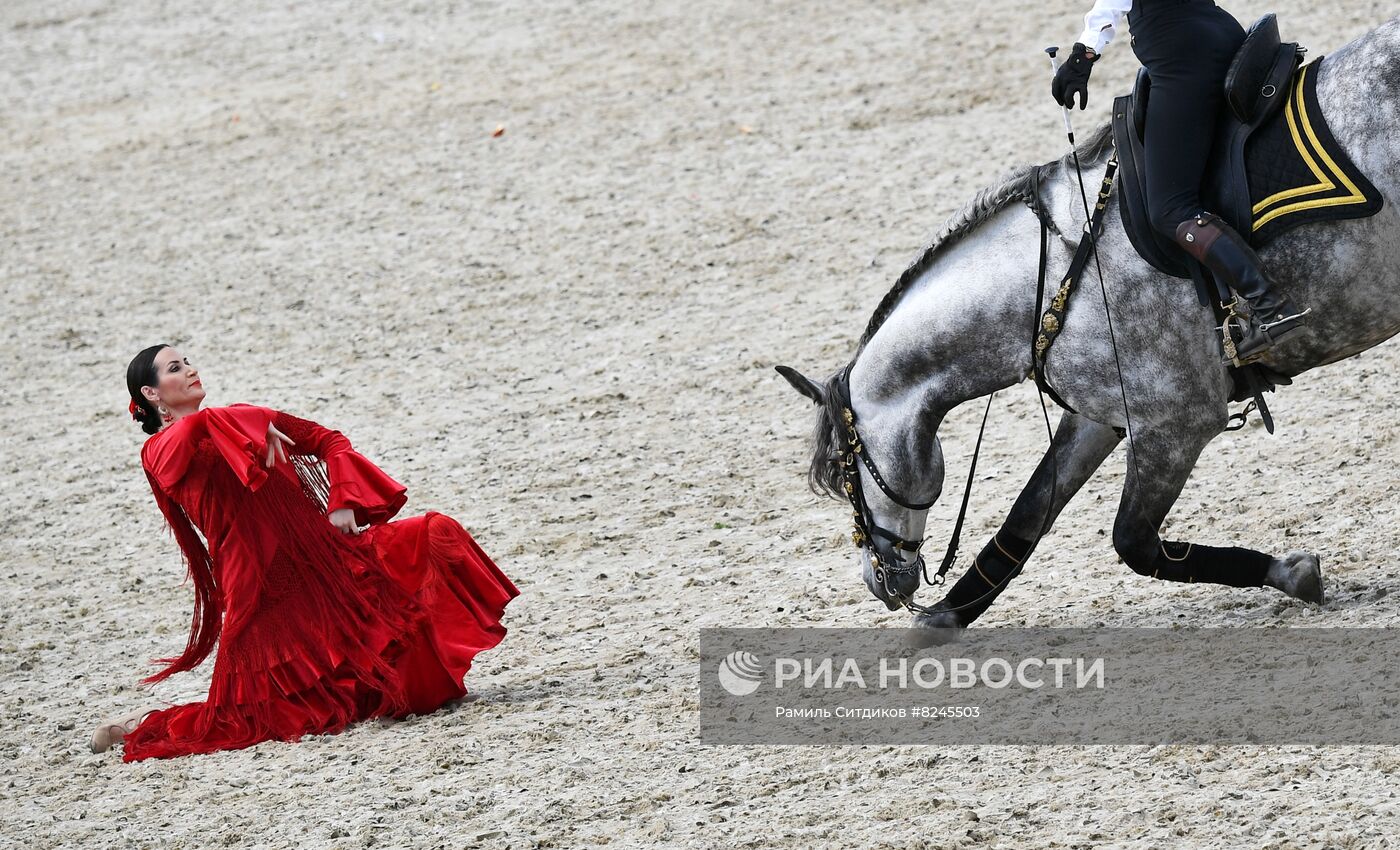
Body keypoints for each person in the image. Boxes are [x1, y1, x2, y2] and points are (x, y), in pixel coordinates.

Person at [94, 344, 519, 760]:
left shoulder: (241, 421)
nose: (189, 369)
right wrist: (248, 421)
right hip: (259, 585)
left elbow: (329, 441)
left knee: (434, 533)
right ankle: (140, 723)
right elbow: (192, 431)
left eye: (187, 361)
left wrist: (343, 501)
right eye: (174, 368)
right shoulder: (159, 450)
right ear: (151, 395)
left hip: (323, 557)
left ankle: (420, 683)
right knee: (248, 719)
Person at [1051, 0, 1309, 364]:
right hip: (1221, 31)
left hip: (1183, 57)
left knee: (1170, 208)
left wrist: (1083, 54)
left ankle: (1271, 305)